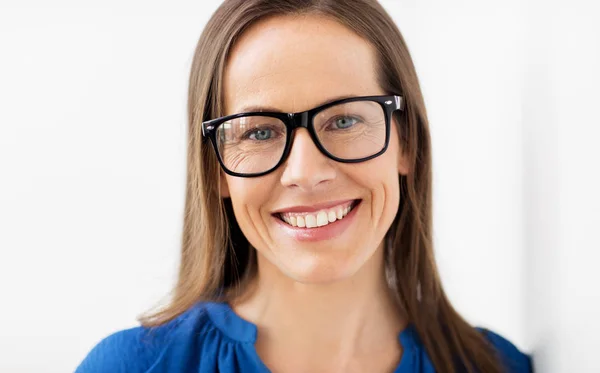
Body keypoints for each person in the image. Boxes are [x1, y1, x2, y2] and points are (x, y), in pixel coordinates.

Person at [75, 0, 533, 372]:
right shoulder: (132, 366)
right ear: (215, 169)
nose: (305, 172)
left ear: (405, 142)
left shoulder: (495, 366)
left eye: (345, 119)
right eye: (258, 132)